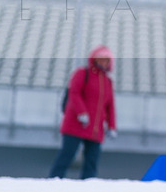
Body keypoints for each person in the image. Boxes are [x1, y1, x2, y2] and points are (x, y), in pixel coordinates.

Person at [48, 45, 117, 179]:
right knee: (67, 155)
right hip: (76, 124)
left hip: (96, 128)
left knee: (92, 161)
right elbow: (74, 93)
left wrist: (112, 126)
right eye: (101, 58)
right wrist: (82, 113)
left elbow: (110, 106)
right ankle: (54, 181)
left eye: (106, 60)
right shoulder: (82, 73)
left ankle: (88, 186)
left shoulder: (108, 81)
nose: (103, 62)